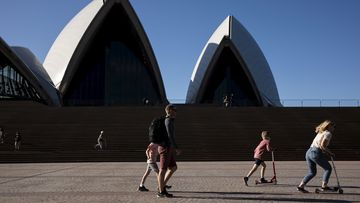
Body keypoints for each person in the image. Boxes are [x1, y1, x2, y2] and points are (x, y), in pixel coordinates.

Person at [297, 120, 336, 193]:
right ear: (328, 126)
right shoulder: (328, 133)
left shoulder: (320, 132)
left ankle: (301, 186)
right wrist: (330, 153)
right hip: (316, 152)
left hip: (309, 152)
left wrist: (325, 151)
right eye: (333, 126)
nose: (334, 128)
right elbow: (322, 146)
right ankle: (324, 186)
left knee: (312, 172)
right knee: (328, 168)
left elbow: (320, 146)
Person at [157, 104, 181, 198]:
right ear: (170, 110)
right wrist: (177, 147)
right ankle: (161, 191)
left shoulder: (169, 121)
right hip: (165, 147)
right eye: (175, 110)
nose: (176, 112)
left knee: (173, 167)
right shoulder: (168, 121)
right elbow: (170, 136)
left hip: (168, 147)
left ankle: (161, 186)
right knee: (163, 169)